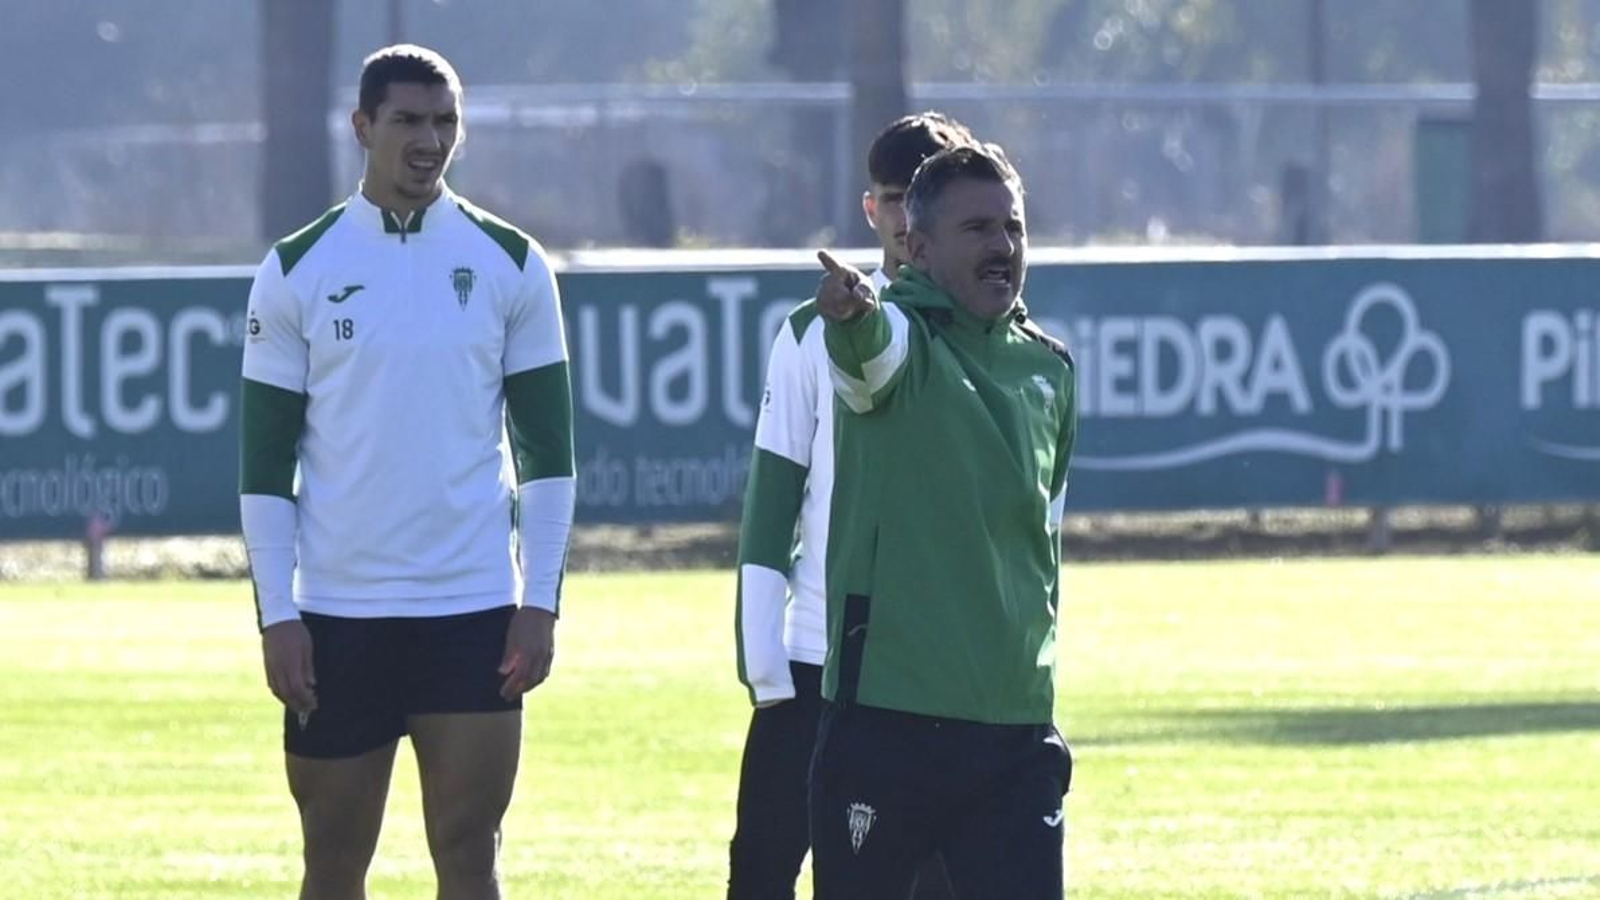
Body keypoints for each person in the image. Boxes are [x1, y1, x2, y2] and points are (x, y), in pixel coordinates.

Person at [239, 44, 574, 900]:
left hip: (472, 613)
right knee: (333, 865)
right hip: (337, 619)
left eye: (445, 121)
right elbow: (264, 470)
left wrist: (539, 602)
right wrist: (278, 615)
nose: (429, 140)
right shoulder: (295, 268)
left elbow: (547, 457)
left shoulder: (513, 263)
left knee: (470, 854)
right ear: (362, 127)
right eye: (408, 121)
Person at [807, 143, 1078, 899]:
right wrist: (852, 315)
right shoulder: (901, 341)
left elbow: (1042, 548)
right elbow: (869, 353)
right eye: (978, 229)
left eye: (1013, 228)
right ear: (917, 250)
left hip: (1014, 732)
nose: (1002, 247)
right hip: (888, 724)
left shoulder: (1049, 369)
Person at [729, 112, 975, 899]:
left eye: (927, 196)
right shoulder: (808, 334)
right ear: (870, 209)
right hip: (813, 659)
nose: (909, 218)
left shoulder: (989, 342)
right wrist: (763, 661)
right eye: (895, 198)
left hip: (930, 671)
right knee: (761, 869)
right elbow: (773, 493)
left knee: (928, 881)